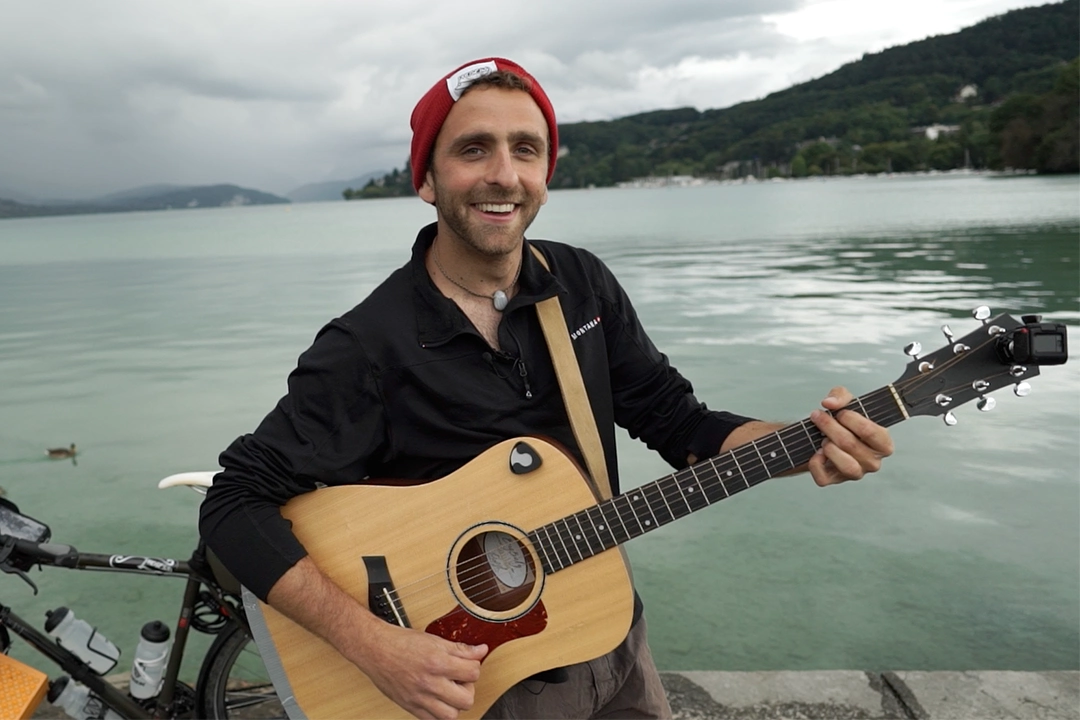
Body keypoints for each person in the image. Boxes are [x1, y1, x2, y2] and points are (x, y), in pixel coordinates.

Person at [199, 57, 894, 720]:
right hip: (473, 683)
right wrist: (374, 645)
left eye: (526, 150)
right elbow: (234, 504)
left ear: (546, 171)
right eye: (474, 149)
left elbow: (679, 423)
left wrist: (802, 447)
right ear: (427, 179)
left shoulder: (580, 286)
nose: (504, 175)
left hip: (605, 629)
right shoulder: (368, 345)